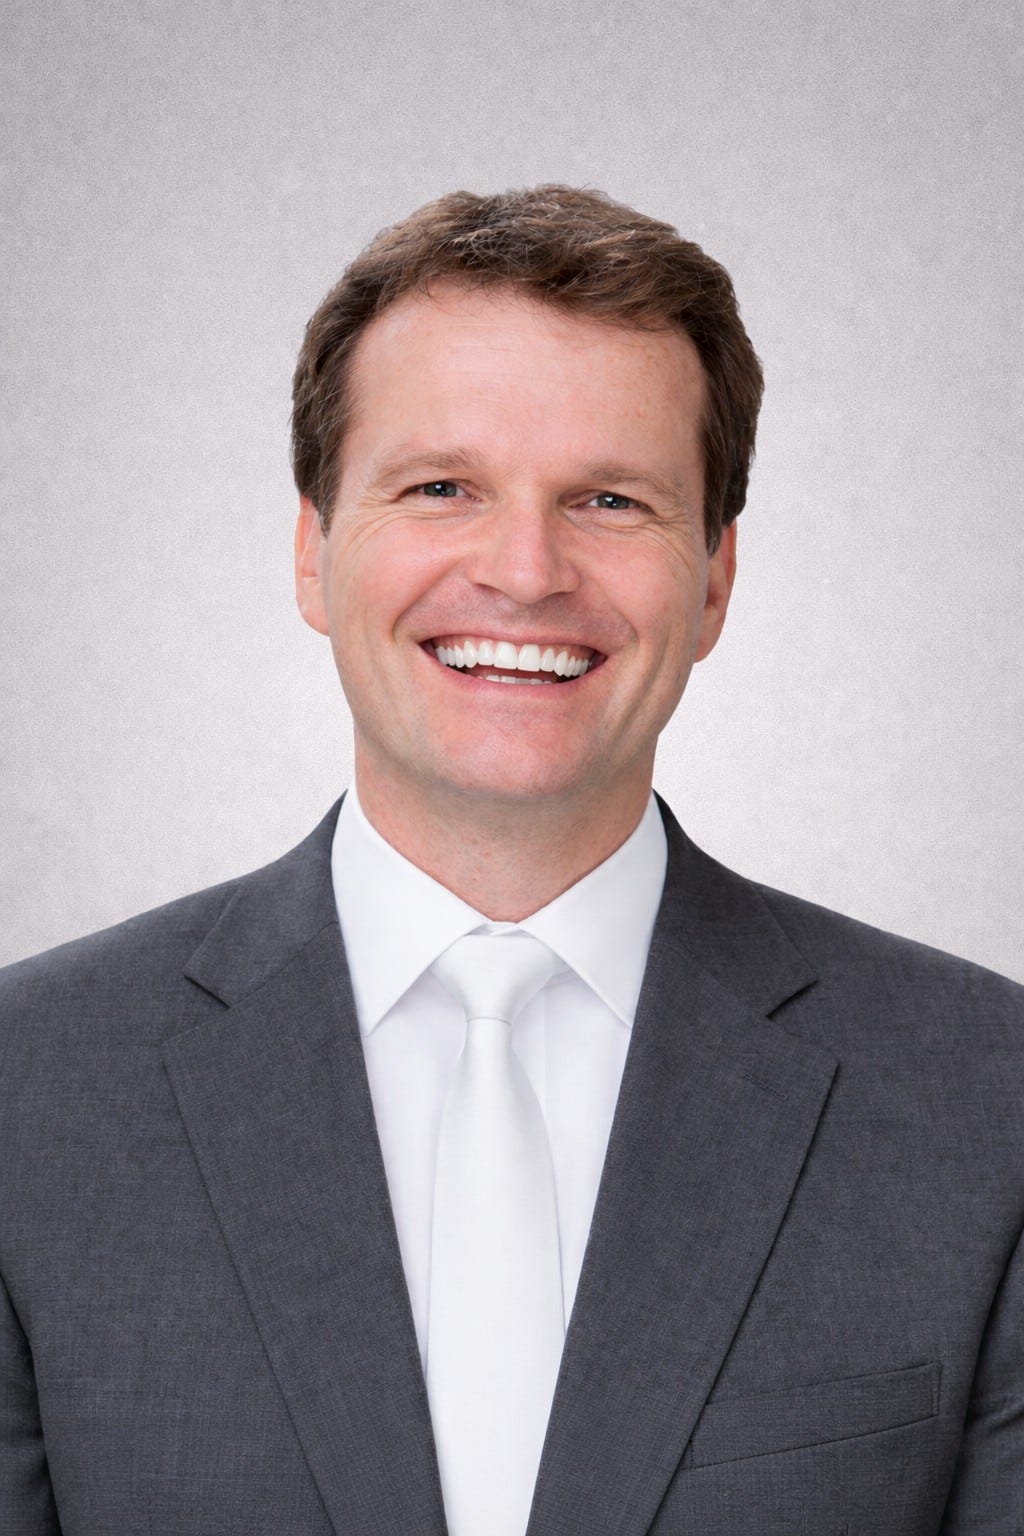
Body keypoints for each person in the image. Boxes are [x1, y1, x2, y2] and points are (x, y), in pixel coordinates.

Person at [0, 186, 1021, 1536]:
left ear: (715, 579)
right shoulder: (29, 1093)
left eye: (610, 498)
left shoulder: (987, 1100)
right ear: (312, 550)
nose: (527, 571)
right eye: (442, 488)